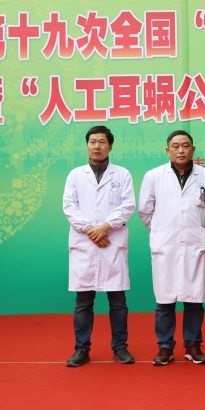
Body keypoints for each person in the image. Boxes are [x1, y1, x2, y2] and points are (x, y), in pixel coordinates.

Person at [138, 130, 205, 366]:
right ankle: (165, 347)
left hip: (195, 244)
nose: (181, 150)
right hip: (165, 245)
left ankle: (192, 345)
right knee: (164, 300)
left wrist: (199, 229)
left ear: (193, 149)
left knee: (194, 299)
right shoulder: (154, 176)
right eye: (175, 146)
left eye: (186, 145)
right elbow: (145, 210)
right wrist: (163, 230)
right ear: (168, 150)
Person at [63, 125, 136, 367]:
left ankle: (120, 347)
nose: (97, 146)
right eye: (92, 142)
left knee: (118, 302)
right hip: (85, 243)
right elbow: (69, 207)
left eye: (102, 142)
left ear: (110, 146)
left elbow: (127, 205)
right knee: (83, 303)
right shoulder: (75, 175)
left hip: (111, 242)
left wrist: (105, 226)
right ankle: (81, 348)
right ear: (87, 145)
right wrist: (91, 229)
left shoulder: (122, 174)